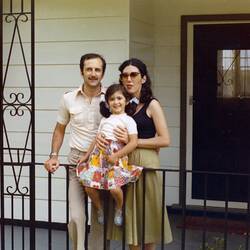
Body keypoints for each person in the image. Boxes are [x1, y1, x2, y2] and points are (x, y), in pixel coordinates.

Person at [104, 58, 173, 250]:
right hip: (124, 164)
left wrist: (133, 142)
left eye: (133, 74)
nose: (129, 79)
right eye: (125, 75)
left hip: (146, 164)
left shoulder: (152, 105)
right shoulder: (121, 104)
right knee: (130, 217)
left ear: (143, 78)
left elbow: (165, 139)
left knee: (147, 218)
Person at [44, 53, 107, 250]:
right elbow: (60, 129)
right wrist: (53, 155)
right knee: (76, 215)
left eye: (97, 69)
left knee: (100, 216)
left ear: (102, 73)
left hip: (103, 162)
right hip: (76, 162)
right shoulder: (68, 98)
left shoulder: (111, 98)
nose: (93, 73)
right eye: (89, 69)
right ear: (82, 71)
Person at [76, 83, 142, 227]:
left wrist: (116, 155)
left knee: (114, 188)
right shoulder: (105, 120)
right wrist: (86, 156)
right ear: (107, 103)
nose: (116, 102)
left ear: (126, 101)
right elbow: (96, 138)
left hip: (116, 158)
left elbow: (133, 143)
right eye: (112, 99)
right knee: (88, 186)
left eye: (119, 98)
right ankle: (100, 208)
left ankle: (119, 208)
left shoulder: (129, 120)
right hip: (99, 158)